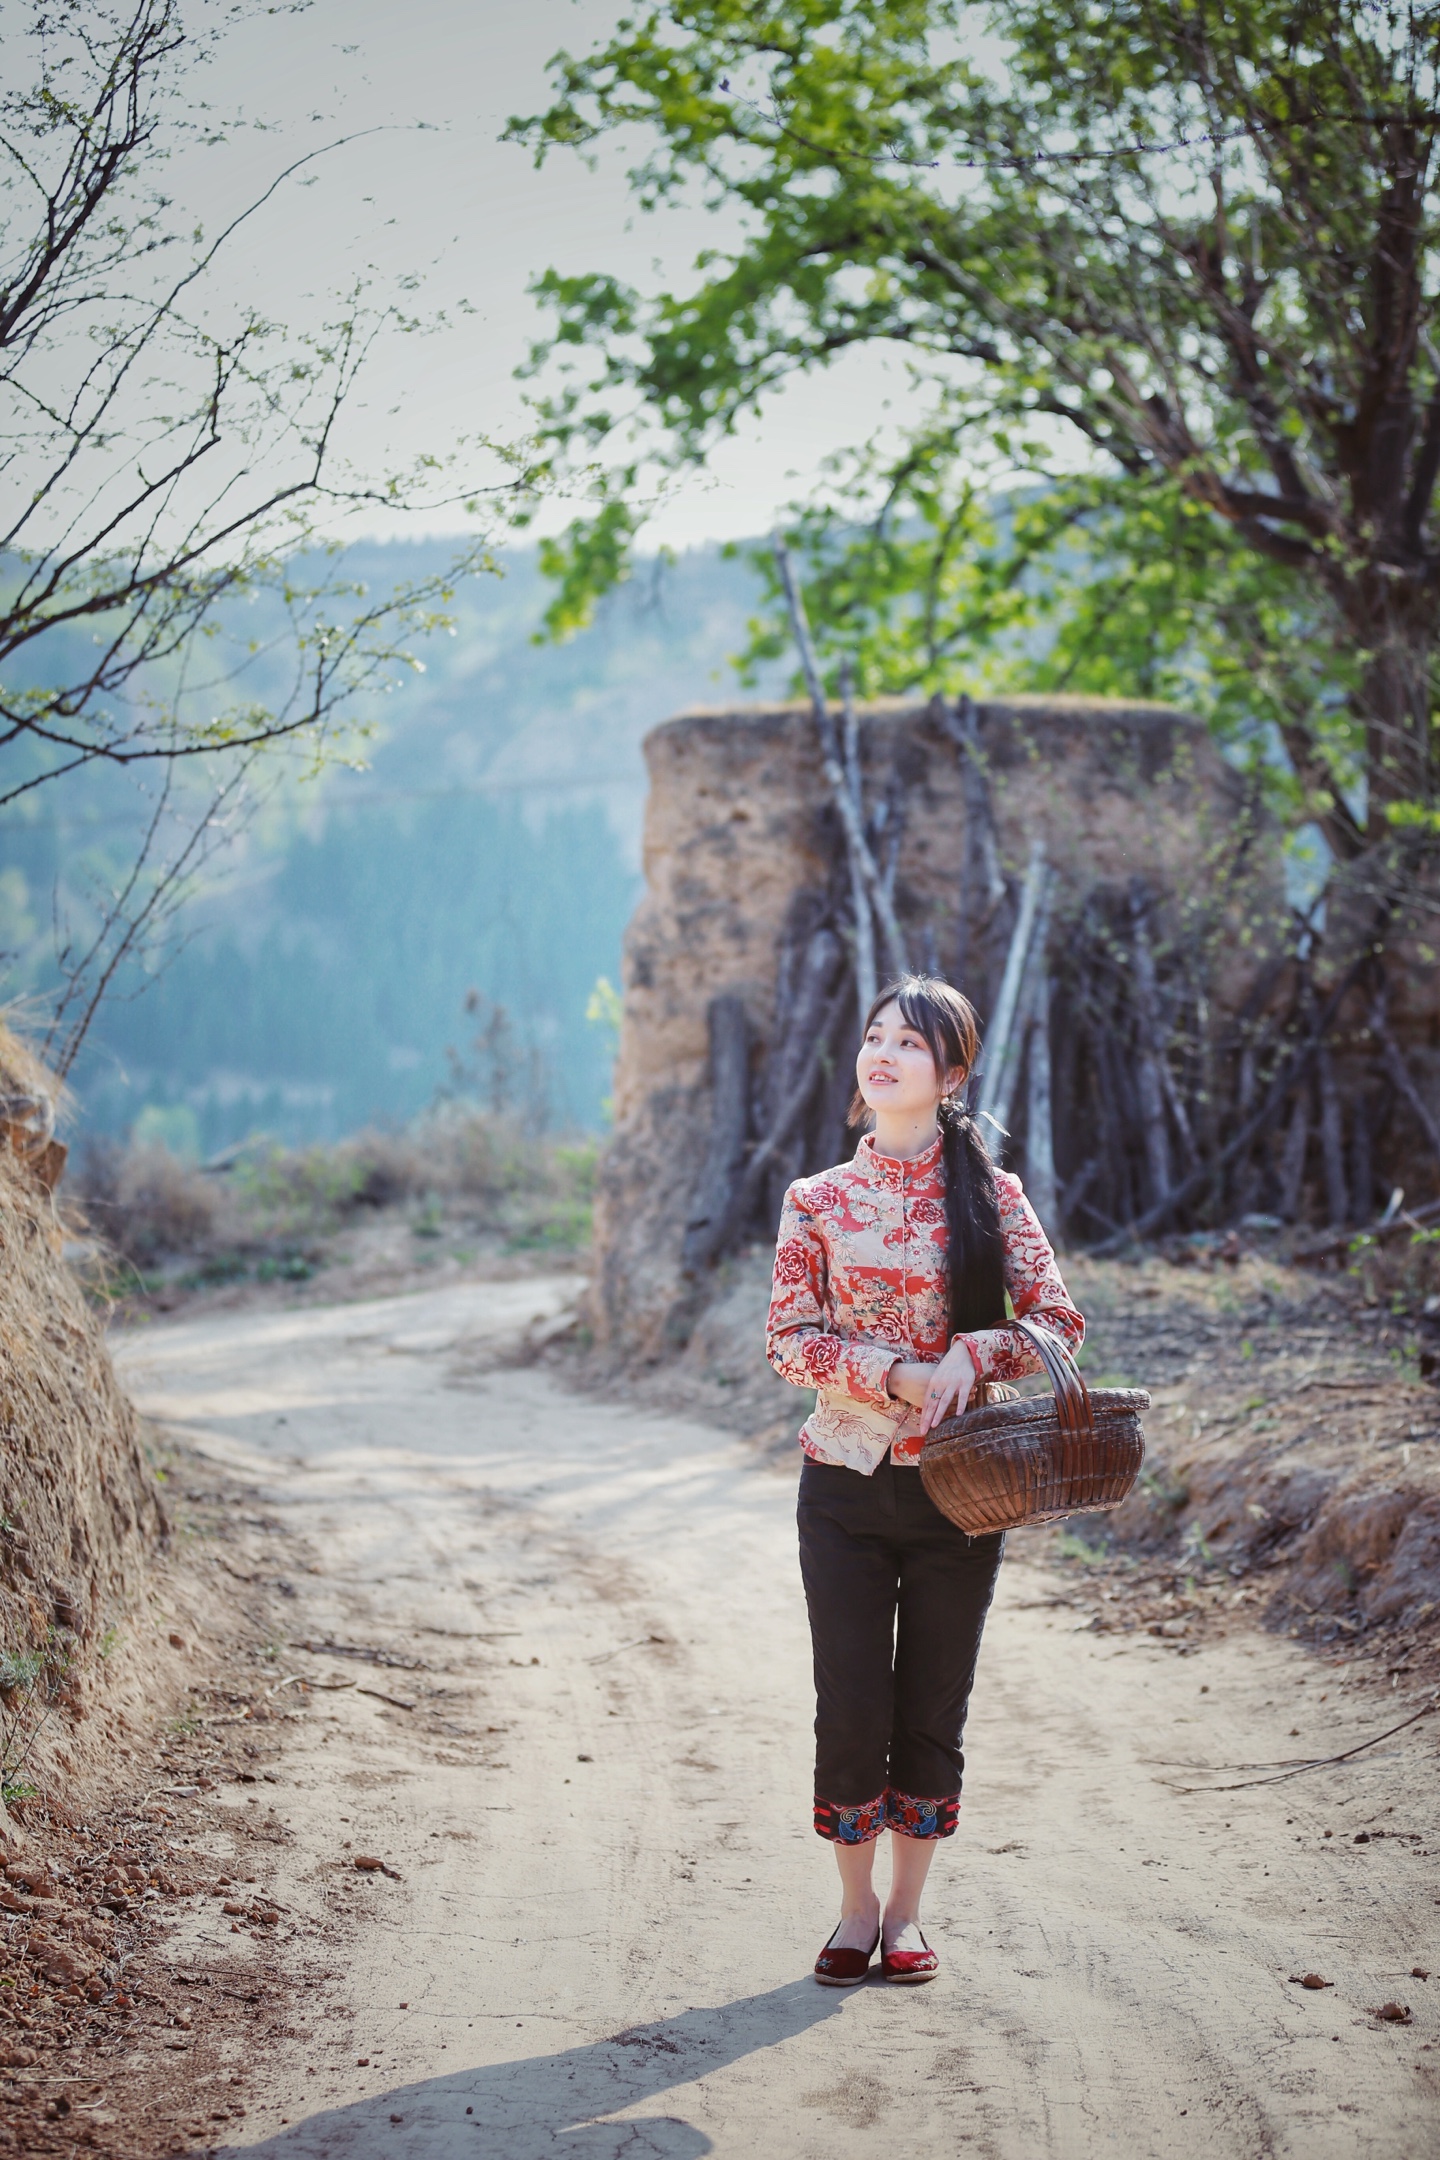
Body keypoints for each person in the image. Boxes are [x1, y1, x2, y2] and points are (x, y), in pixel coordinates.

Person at [766, 973, 1084, 1986]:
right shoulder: (815, 1200)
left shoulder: (995, 1195)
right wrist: (893, 1371)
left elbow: (1057, 1322)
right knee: (851, 1703)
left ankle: (907, 1917)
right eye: (873, 1037)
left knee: (932, 1708)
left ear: (950, 1074)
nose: (883, 1053)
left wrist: (974, 1355)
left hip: (963, 1491)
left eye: (909, 1042)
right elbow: (787, 1341)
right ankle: (852, 1912)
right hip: (846, 1485)